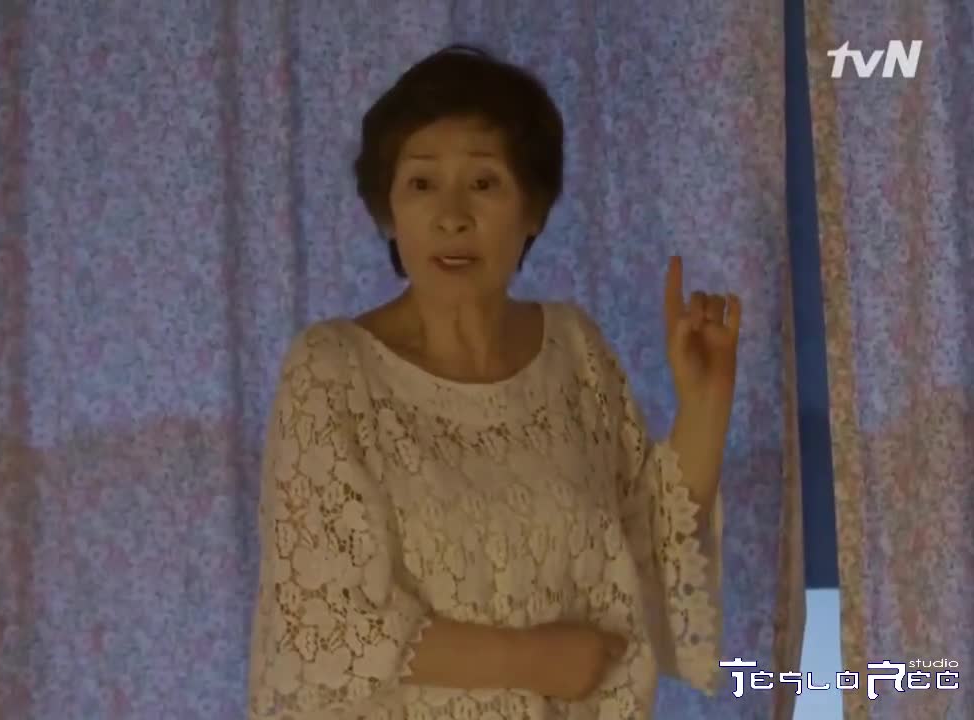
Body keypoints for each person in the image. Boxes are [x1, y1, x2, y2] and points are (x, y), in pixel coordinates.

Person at [246, 44, 740, 719]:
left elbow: (647, 553)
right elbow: (321, 623)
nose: (452, 215)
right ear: (388, 212)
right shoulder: (332, 371)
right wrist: (529, 659)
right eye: (422, 184)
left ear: (533, 210)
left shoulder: (576, 350)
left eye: (484, 183)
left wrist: (706, 398)